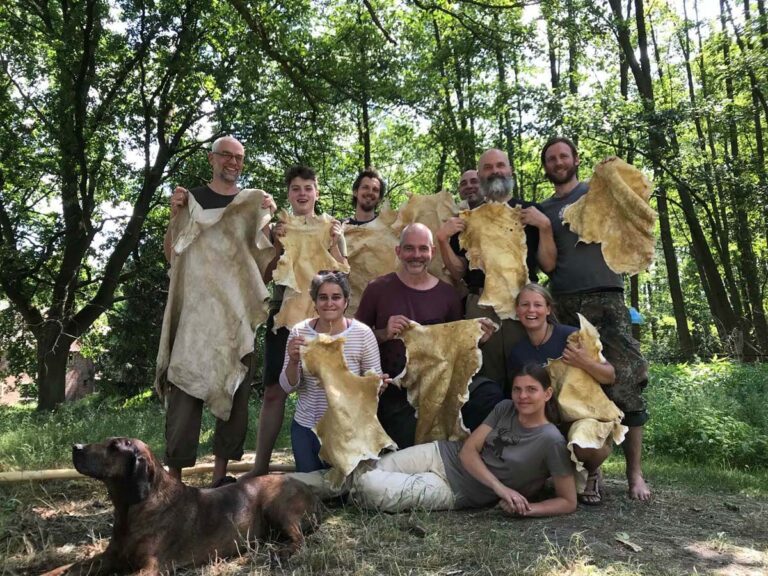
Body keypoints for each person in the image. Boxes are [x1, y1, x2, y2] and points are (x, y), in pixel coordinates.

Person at [538, 136, 651, 501]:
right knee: (576, 384)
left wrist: (615, 175)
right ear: (545, 166)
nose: (557, 162)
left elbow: (638, 202)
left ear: (575, 159)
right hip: (565, 302)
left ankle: (635, 475)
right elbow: (547, 264)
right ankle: (592, 473)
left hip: (608, 297)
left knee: (628, 379)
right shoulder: (544, 210)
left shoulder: (597, 193)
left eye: (563, 156)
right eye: (551, 158)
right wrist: (540, 227)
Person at [160, 136, 276, 486]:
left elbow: (265, 269)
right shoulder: (191, 201)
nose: (233, 162)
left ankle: (220, 479)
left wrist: (272, 228)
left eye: (239, 157)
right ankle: (176, 481)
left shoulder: (251, 204)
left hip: (235, 314)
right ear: (212, 159)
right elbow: (172, 255)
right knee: (185, 389)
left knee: (235, 391)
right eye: (226, 155)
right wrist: (174, 215)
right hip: (196, 316)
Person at [351, 364, 577, 516]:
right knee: (368, 468)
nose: (522, 396)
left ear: (547, 394)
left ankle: (341, 490)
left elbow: (568, 501)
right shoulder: (505, 408)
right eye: (517, 389)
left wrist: (527, 509)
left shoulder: (551, 440)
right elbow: (468, 451)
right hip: (442, 454)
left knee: (370, 486)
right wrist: (501, 489)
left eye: (531, 390)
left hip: (454, 489)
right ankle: (320, 487)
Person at [355, 223, 498, 449]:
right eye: (409, 249)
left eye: (423, 249)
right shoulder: (378, 288)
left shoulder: (447, 294)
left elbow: (455, 345)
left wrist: (476, 340)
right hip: (396, 388)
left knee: (490, 396)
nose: (416, 255)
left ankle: (474, 459)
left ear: (432, 252)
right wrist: (383, 333)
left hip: (440, 382)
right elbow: (355, 340)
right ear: (398, 251)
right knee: (409, 438)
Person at [251, 165, 347, 476]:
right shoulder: (279, 226)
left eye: (308, 187)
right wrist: (277, 245)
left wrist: (336, 243)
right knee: (274, 392)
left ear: (316, 192)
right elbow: (265, 276)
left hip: (324, 322)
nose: (302, 193)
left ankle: (337, 463)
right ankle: (260, 467)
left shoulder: (331, 226)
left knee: (331, 390)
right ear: (288, 194)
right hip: (286, 319)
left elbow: (344, 276)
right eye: (296, 188)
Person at [436, 149, 555, 394]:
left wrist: (544, 227)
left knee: (526, 375)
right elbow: (459, 272)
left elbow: (549, 265)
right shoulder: (467, 219)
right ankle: (489, 428)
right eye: (488, 168)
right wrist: (442, 240)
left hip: (523, 307)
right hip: (481, 307)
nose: (495, 171)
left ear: (510, 170)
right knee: (482, 377)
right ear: (479, 175)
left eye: (500, 165)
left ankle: (529, 430)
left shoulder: (530, 212)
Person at [507, 283, 616, 505]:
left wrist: (582, 361)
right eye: (525, 305)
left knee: (583, 444)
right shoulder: (518, 351)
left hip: (583, 416)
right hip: (545, 421)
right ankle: (556, 472)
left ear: (548, 309)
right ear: (517, 311)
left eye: (538, 305)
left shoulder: (571, 336)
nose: (531, 310)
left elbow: (610, 375)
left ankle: (592, 471)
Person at [280, 271, 385, 472]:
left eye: (336, 297)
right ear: (314, 301)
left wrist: (377, 386)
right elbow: (287, 387)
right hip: (308, 426)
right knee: (311, 491)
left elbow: (375, 387)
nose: (329, 303)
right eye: (323, 297)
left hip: (350, 428)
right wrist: (293, 361)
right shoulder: (299, 333)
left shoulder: (363, 334)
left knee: (349, 495)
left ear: (346, 301)